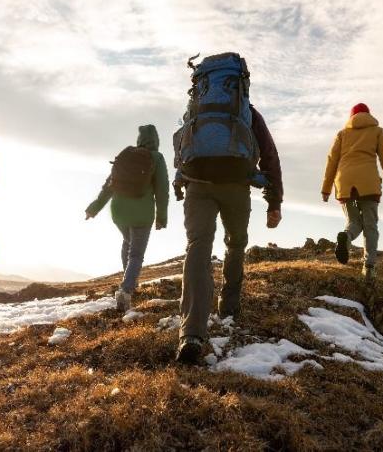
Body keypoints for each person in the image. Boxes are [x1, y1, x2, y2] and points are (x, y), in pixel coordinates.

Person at [175, 105, 283, 365]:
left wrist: (181, 180)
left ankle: (191, 334)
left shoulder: (197, 108)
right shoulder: (246, 112)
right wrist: (274, 202)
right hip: (236, 186)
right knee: (235, 243)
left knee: (198, 247)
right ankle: (229, 306)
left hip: (197, 185)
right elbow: (269, 155)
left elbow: (181, 144)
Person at [85, 125, 169, 312]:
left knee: (127, 243)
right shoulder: (156, 158)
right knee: (136, 254)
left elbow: (109, 185)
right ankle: (126, 289)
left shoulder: (126, 155)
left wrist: (94, 208)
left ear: (140, 139)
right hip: (142, 214)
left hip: (119, 212)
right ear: (156, 141)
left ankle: (128, 280)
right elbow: (162, 190)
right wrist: (162, 217)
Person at [320, 103, 383, 280]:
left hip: (345, 183)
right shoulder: (377, 131)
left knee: (353, 221)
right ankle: (369, 267)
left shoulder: (342, 134)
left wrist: (326, 189)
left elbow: (331, 161)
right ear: (369, 115)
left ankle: (346, 238)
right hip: (368, 183)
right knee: (370, 225)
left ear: (351, 117)